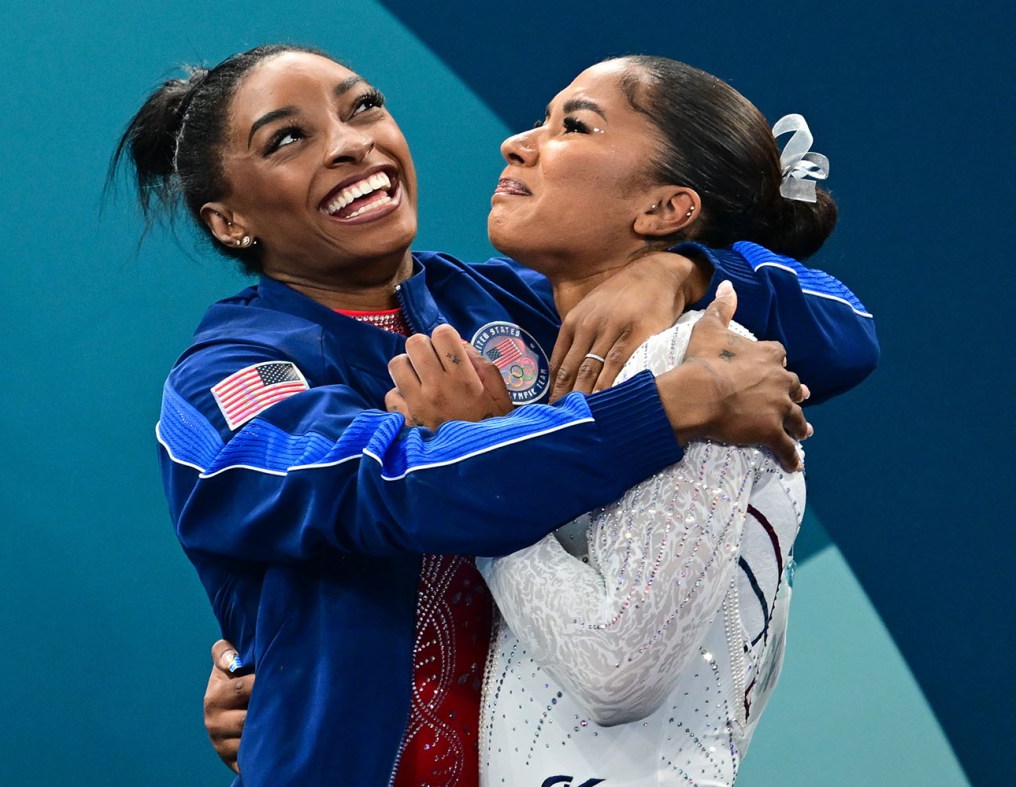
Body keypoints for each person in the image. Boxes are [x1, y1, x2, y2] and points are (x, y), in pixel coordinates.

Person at [111, 44, 876, 785]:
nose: (351, 145)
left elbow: (847, 333)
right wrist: (661, 409)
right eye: (288, 139)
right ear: (228, 221)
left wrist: (686, 267)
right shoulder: (227, 378)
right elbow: (384, 484)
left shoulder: (523, 301)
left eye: (364, 108)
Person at [386, 55, 853, 785]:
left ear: (667, 209)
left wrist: (475, 465)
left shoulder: (705, 367)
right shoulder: (553, 365)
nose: (519, 143)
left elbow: (616, 669)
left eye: (575, 125)